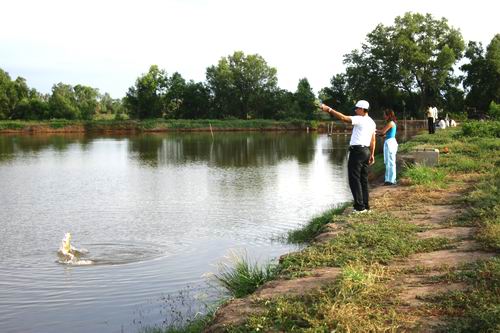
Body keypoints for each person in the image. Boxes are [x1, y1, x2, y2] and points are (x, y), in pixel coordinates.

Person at [320, 100, 376, 213]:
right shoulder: (372, 122)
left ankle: (359, 208)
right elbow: (373, 140)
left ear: (362, 109)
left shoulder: (360, 119)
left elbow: (344, 118)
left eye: (357, 108)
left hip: (357, 152)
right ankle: (365, 206)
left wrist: (329, 109)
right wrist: (372, 154)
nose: (355, 110)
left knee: (354, 179)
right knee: (363, 180)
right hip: (366, 151)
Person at [376, 109, 398, 185]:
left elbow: (382, 131)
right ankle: (388, 179)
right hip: (389, 141)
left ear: (388, 115)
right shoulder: (391, 123)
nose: (383, 116)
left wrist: (374, 130)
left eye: (385, 114)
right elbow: (386, 134)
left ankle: (391, 180)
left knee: (390, 162)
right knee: (387, 161)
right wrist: (381, 134)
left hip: (390, 143)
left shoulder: (391, 123)